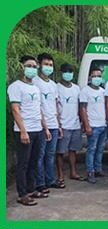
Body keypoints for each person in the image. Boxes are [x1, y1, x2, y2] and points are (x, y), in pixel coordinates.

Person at [8, 55, 49, 206]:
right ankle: (22, 194)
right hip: (25, 131)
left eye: (34, 67)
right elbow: (15, 110)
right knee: (23, 163)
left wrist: (45, 128)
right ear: (22, 68)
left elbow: (39, 110)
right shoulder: (15, 86)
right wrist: (23, 131)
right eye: (29, 66)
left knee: (34, 161)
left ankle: (32, 190)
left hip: (38, 129)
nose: (32, 69)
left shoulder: (35, 88)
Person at [33, 52, 61, 191]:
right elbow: (37, 107)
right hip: (41, 126)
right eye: (46, 64)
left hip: (54, 124)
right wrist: (45, 128)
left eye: (50, 65)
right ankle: (40, 183)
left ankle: (50, 180)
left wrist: (58, 124)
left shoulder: (53, 85)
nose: (48, 67)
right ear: (39, 65)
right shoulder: (34, 83)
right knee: (40, 156)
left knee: (50, 155)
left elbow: (55, 105)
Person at [79, 66, 107, 184]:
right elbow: (83, 109)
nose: (97, 78)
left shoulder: (103, 91)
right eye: (94, 76)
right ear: (90, 77)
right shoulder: (85, 91)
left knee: (100, 149)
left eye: (99, 76)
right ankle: (90, 171)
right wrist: (87, 125)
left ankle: (98, 169)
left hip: (103, 125)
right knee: (91, 149)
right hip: (93, 125)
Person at [56, 63, 83, 182]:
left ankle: (73, 172)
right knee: (60, 151)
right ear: (61, 73)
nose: (68, 74)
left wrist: (80, 120)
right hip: (63, 124)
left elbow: (79, 105)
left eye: (71, 71)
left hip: (75, 124)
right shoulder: (57, 87)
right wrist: (58, 124)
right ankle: (60, 174)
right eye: (66, 71)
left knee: (73, 150)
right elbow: (55, 106)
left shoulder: (76, 88)